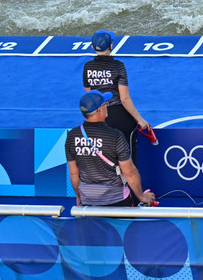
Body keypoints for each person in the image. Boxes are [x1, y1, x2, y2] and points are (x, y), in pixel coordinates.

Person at [66, 91, 155, 207]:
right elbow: (130, 173)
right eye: (105, 104)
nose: (108, 106)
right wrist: (142, 197)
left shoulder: (72, 136)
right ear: (99, 110)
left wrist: (79, 197)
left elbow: (73, 174)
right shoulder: (115, 136)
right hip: (117, 199)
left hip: (88, 200)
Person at [83, 30, 155, 160]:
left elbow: (90, 97)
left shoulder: (87, 67)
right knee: (128, 160)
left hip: (99, 118)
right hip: (120, 118)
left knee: (106, 160)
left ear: (93, 47)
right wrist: (140, 120)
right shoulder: (118, 66)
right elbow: (124, 98)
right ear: (111, 46)